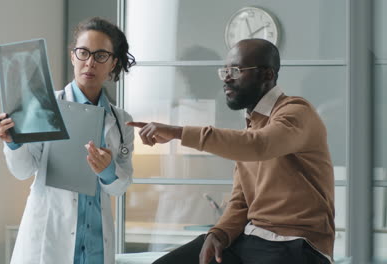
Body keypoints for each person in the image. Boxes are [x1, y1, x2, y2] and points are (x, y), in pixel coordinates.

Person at [127, 38, 335, 264]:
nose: (226, 78)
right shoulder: (251, 126)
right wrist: (219, 233)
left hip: (296, 243)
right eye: (225, 71)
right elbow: (241, 200)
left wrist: (178, 132)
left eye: (235, 70)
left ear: (267, 74)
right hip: (252, 238)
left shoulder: (296, 112)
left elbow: (258, 146)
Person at [0, 17, 136, 264]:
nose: (90, 62)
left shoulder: (122, 121)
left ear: (113, 63)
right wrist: (13, 142)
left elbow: (119, 188)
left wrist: (108, 171)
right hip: (50, 239)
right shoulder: (44, 107)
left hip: (95, 245)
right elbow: (23, 170)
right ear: (73, 56)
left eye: (101, 55)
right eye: (83, 53)